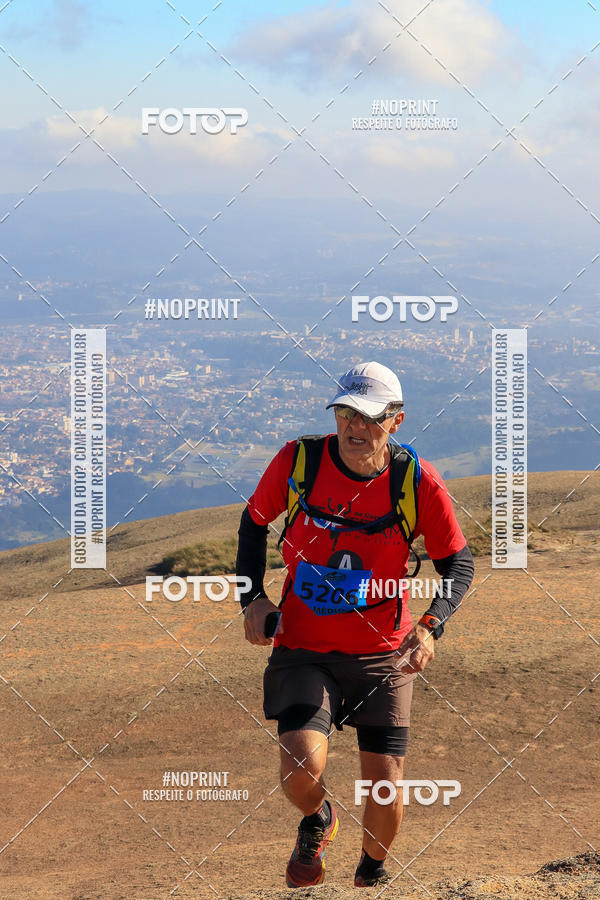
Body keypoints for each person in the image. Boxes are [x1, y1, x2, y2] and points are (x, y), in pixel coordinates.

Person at [236, 361, 474, 888]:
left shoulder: (416, 482)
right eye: (345, 412)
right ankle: (319, 819)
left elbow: (459, 563)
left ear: (397, 421)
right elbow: (253, 525)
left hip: (383, 656)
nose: (355, 427)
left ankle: (372, 870)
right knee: (299, 768)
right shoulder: (299, 462)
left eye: (369, 417)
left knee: (385, 787)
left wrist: (432, 625)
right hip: (304, 646)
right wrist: (250, 597)